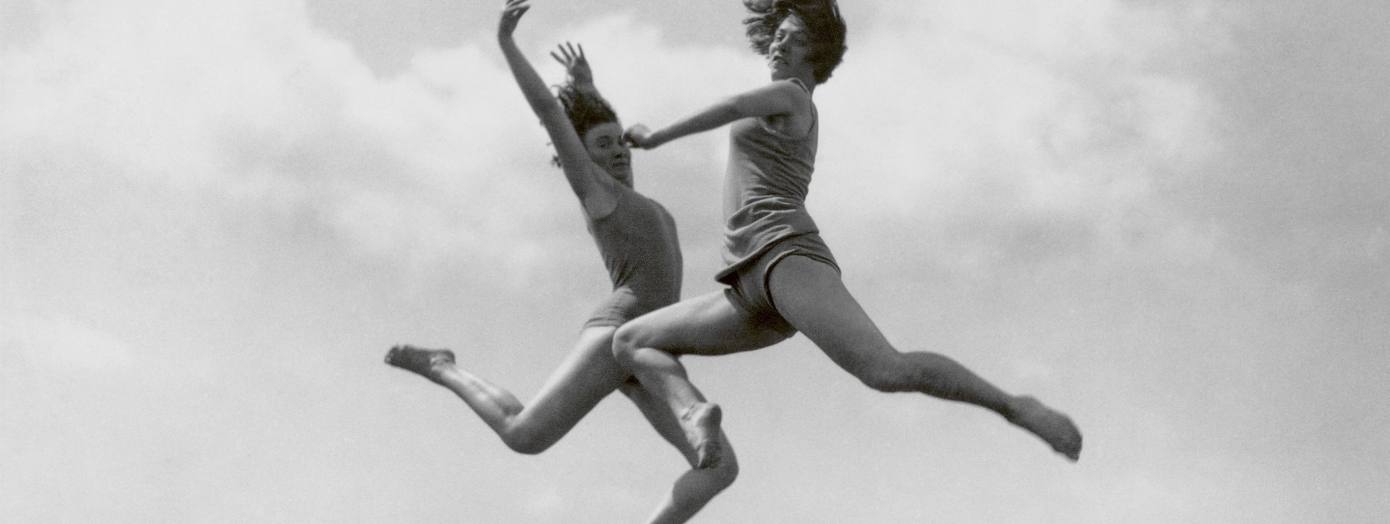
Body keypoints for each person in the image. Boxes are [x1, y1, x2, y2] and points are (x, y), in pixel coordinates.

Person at [614, 0, 1083, 470]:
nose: (780, 41)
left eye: (795, 37)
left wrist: (656, 137)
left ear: (814, 55)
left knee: (886, 370)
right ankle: (694, 411)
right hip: (746, 283)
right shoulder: (783, 99)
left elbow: (734, 105)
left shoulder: (793, 95)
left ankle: (1016, 406)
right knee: (631, 341)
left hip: (785, 257)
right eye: (779, 32)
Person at [384, 1, 737, 522]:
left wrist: (588, 91)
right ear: (581, 156)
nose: (619, 151)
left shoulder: (637, 198)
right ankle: (442, 366)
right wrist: (507, 45)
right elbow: (553, 115)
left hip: (650, 344)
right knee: (525, 435)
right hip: (617, 332)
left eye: (621, 143)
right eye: (603, 145)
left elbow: (589, 124)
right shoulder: (598, 195)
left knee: (720, 467)